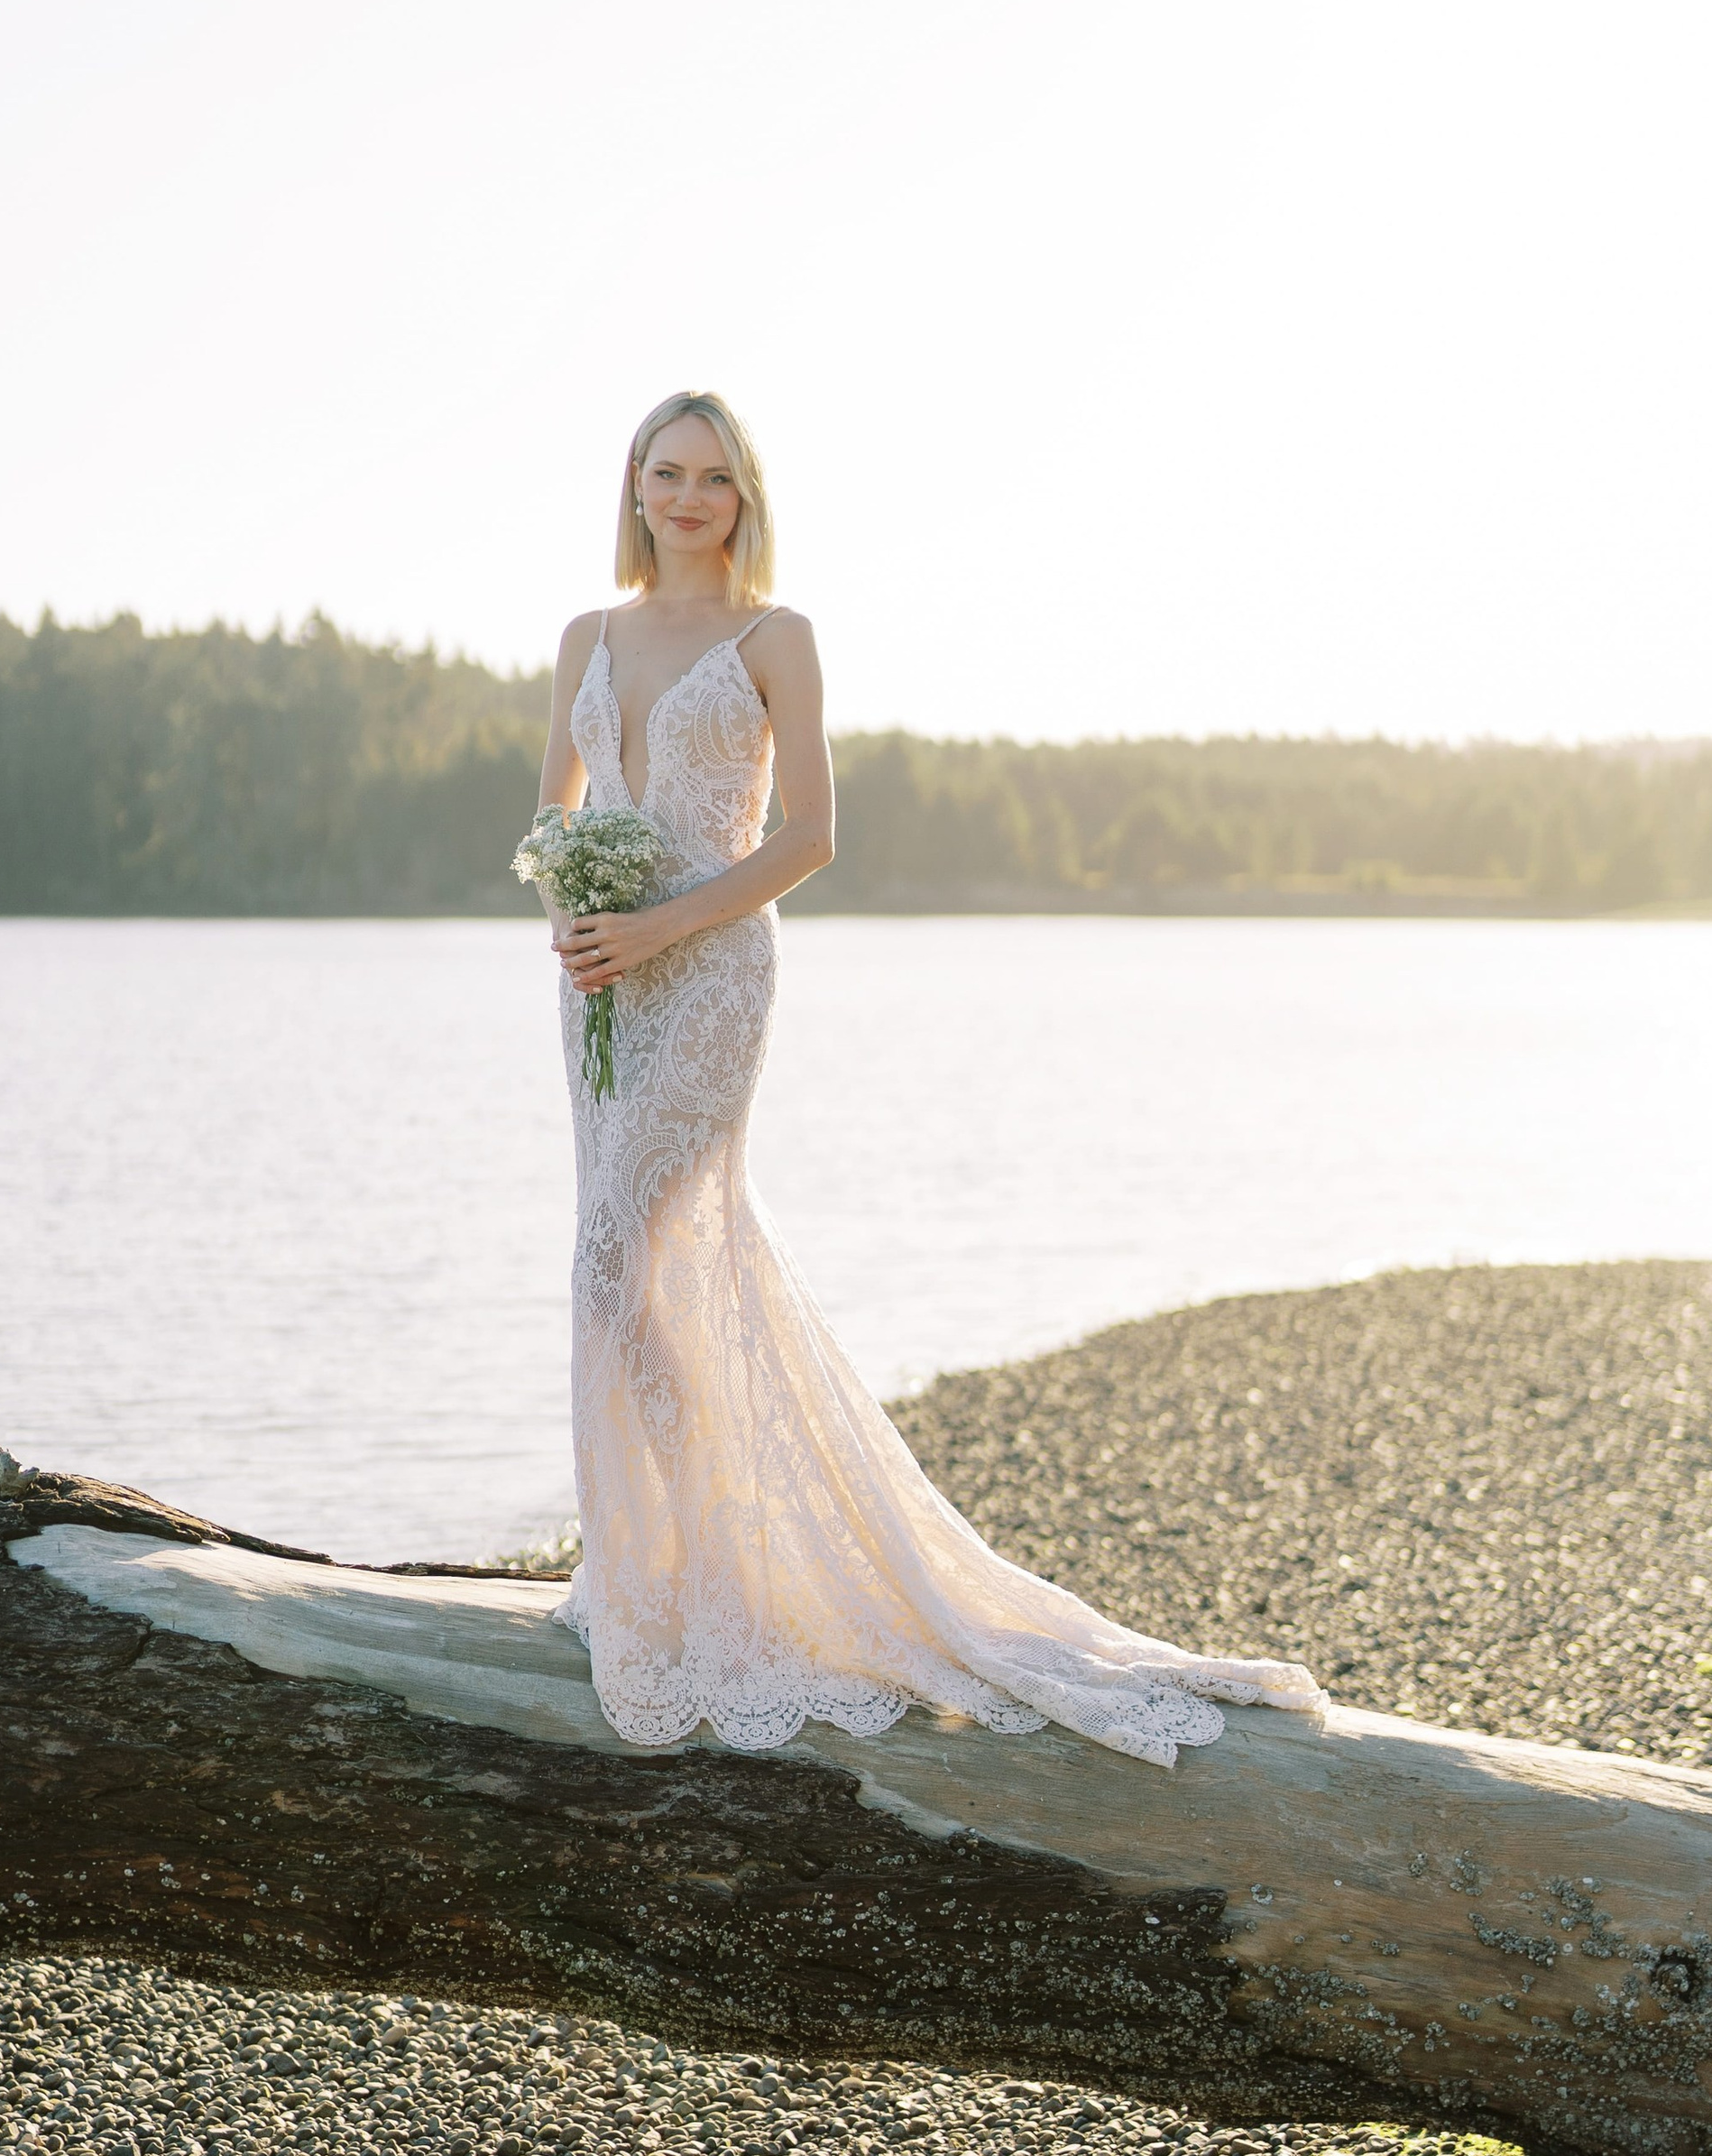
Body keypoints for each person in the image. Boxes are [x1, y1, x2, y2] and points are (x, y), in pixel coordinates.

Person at [536, 386, 1321, 1769]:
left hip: (712, 973)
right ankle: (649, 1567)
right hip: (601, 980)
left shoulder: (778, 638)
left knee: (622, 1252)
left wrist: (664, 920)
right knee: (627, 1269)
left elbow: (815, 837)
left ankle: (721, 1568)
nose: (687, 497)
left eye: (714, 476)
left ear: (745, 497)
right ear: (635, 486)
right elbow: (557, 809)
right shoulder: (584, 637)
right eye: (665, 471)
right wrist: (571, 913)